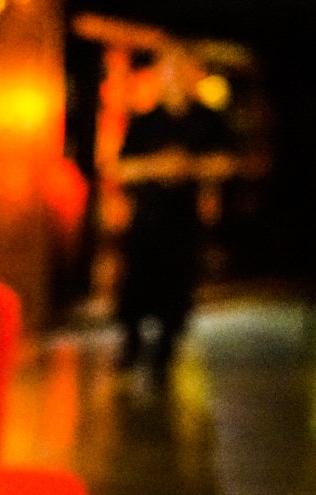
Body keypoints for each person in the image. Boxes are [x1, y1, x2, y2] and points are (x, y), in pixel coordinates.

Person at [111, 46, 236, 386]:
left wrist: (190, 167)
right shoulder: (145, 121)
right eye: (170, 70)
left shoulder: (208, 119)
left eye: (183, 70)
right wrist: (155, 166)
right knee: (136, 280)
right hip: (146, 216)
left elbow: (228, 162)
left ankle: (163, 353)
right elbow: (120, 168)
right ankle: (131, 344)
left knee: (176, 283)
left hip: (183, 218)